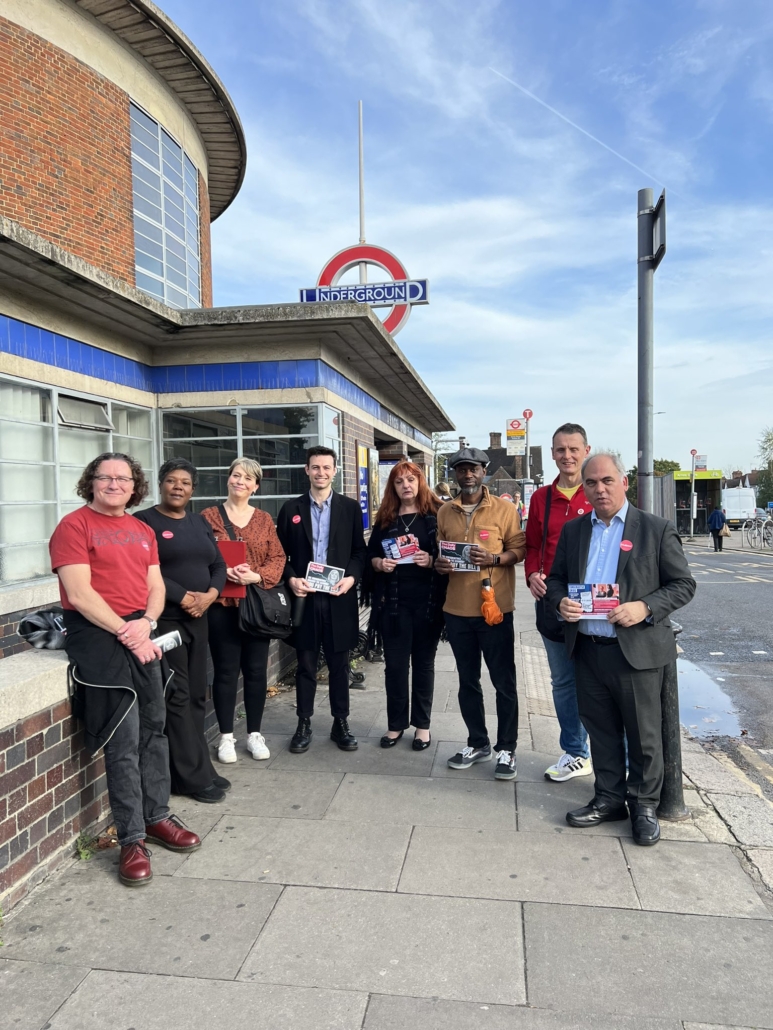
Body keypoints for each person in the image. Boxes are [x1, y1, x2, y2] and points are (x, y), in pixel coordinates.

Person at [49, 452, 200, 888]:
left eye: (124, 478)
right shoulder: (74, 527)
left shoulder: (140, 529)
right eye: (105, 477)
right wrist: (125, 629)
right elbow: (78, 593)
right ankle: (131, 837)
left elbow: (155, 586)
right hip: (98, 633)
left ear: (135, 487)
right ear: (90, 482)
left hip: (139, 626)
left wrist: (147, 623)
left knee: (155, 727)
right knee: (124, 735)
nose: (115, 484)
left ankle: (157, 816)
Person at [546, 452, 696, 846]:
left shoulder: (655, 529)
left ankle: (643, 806)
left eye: (607, 481)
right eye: (591, 483)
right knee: (602, 731)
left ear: (624, 482)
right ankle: (609, 798)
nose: (599, 489)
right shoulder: (575, 530)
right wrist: (559, 601)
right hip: (588, 649)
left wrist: (644, 607)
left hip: (635, 650)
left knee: (644, 735)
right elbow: (557, 579)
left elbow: (683, 585)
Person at [135, 459, 229, 803]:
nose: (178, 487)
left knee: (194, 696)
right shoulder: (144, 522)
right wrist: (185, 596)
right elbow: (144, 571)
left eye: (185, 482)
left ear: (193, 489)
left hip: (199, 619)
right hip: (165, 622)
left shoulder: (199, 521)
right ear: (160, 484)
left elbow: (218, 563)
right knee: (175, 695)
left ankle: (198, 768)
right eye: (172, 481)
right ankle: (190, 778)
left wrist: (210, 596)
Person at [435, 447, 526, 781]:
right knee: (467, 681)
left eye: (473, 469)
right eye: (461, 469)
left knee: (504, 682)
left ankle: (507, 748)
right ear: (455, 474)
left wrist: (495, 559)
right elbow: (440, 553)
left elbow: (520, 549)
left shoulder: (504, 509)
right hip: (457, 610)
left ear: (484, 471)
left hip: (495, 609)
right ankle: (478, 742)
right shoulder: (446, 511)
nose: (467, 474)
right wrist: (439, 564)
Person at [276, 446, 367, 753]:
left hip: (339, 598)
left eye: (327, 468)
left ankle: (340, 722)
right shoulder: (291, 509)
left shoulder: (350, 508)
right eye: (315, 467)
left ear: (335, 471)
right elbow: (280, 556)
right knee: (305, 664)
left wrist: (351, 578)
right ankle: (303, 722)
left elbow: (359, 552)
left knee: (340, 664)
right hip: (305, 598)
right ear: (307, 470)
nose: (321, 473)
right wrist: (291, 578)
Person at [201, 458, 286, 764]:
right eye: (236, 475)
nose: (240, 481)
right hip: (222, 605)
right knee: (225, 672)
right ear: (228, 479)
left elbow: (278, 556)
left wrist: (257, 576)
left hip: (255, 607)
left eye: (247, 478)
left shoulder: (263, 519)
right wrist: (220, 574)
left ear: (255, 486)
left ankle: (254, 734)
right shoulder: (208, 516)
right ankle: (225, 737)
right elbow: (199, 556)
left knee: (255, 671)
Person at [524, 422, 593, 783]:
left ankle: (618, 758)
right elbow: (533, 545)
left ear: (586, 450)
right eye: (560, 450)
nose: (567, 456)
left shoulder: (597, 492)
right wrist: (533, 573)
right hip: (553, 602)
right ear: (552, 454)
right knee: (563, 682)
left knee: (601, 682)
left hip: (593, 605)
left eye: (573, 449)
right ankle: (576, 753)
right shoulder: (541, 499)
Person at [365, 461, 447, 750]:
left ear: (420, 481)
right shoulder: (386, 518)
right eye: (399, 482)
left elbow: (448, 555)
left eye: (411, 479)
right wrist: (378, 563)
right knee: (395, 667)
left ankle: (422, 726)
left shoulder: (436, 515)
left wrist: (432, 560)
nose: (406, 486)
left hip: (428, 603)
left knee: (424, 666)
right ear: (393, 487)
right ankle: (396, 725)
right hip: (393, 605)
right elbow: (370, 554)